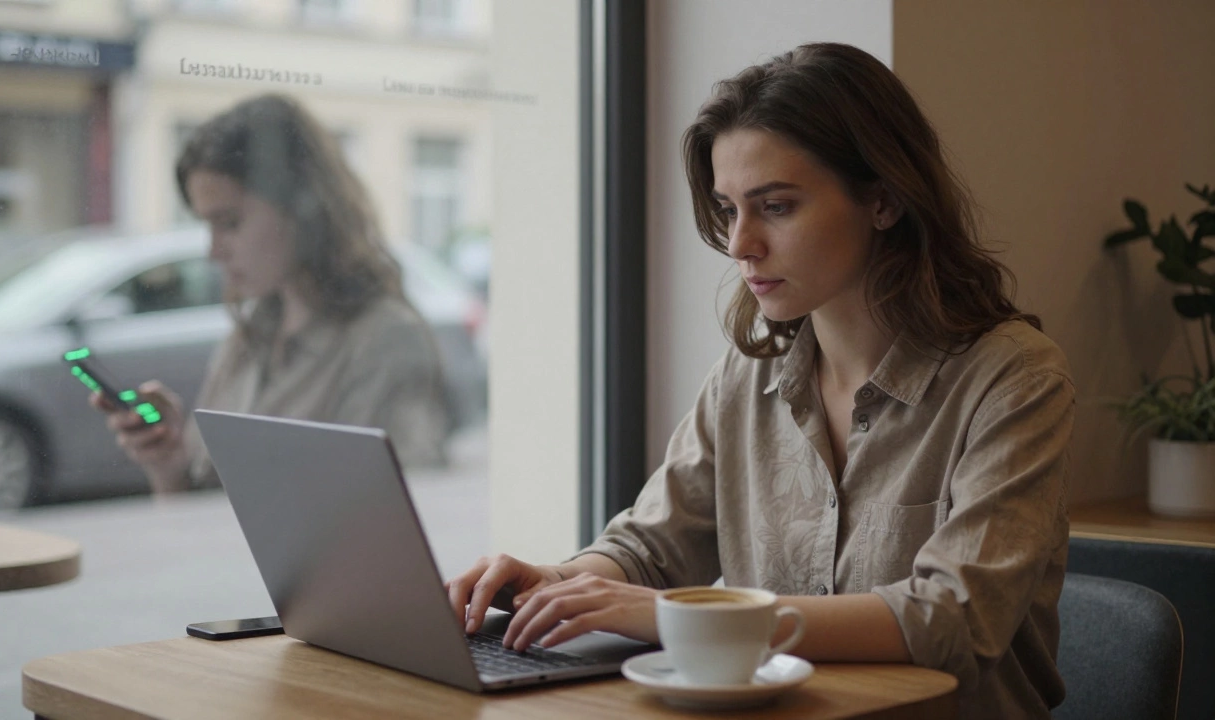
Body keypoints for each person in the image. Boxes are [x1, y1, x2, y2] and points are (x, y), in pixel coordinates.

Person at [447, 43, 1073, 719]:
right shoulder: (747, 378)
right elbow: (652, 549)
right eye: (728, 209)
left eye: (775, 207)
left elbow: (951, 621)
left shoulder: (1014, 379)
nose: (740, 244)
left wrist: (674, 616)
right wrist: (563, 581)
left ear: (884, 200)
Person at [95, 93, 450, 492]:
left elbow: (400, 521)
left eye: (229, 223)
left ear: (302, 207)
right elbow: (200, 522)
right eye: (207, 226)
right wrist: (169, 464)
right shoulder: (249, 336)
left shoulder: (384, 341)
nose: (213, 252)